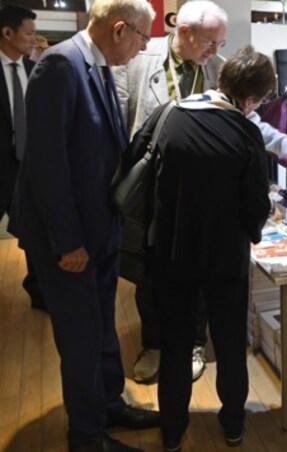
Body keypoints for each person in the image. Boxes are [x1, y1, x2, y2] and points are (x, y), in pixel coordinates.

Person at [114, 0, 287, 383]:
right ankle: (154, 344)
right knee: (151, 274)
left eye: (220, 43)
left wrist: (280, 142)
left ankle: (193, 343)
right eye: (211, 42)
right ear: (184, 33)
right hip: (157, 187)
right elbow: (120, 121)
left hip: (200, 194)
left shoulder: (218, 69)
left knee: (192, 274)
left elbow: (244, 119)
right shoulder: (139, 59)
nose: (217, 51)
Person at [8, 1, 159, 451]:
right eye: (142, 38)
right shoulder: (60, 65)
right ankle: (87, 435)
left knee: (102, 328)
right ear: (119, 30)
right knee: (80, 336)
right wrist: (68, 241)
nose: (143, 47)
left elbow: (101, 144)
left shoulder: (92, 62)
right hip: (69, 237)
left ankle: (108, 404)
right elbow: (47, 165)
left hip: (100, 226)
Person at [120, 45, 271, 451]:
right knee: (228, 343)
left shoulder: (169, 114)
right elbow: (257, 203)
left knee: (174, 344)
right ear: (250, 98)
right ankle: (233, 425)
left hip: (170, 253)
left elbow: (135, 158)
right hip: (225, 258)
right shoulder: (246, 132)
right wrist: (252, 229)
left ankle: (171, 432)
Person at [0, 5, 44, 312]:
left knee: (36, 231)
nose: (34, 40)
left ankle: (39, 292)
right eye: (29, 33)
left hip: (29, 166)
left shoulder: (32, 70)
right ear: (7, 33)